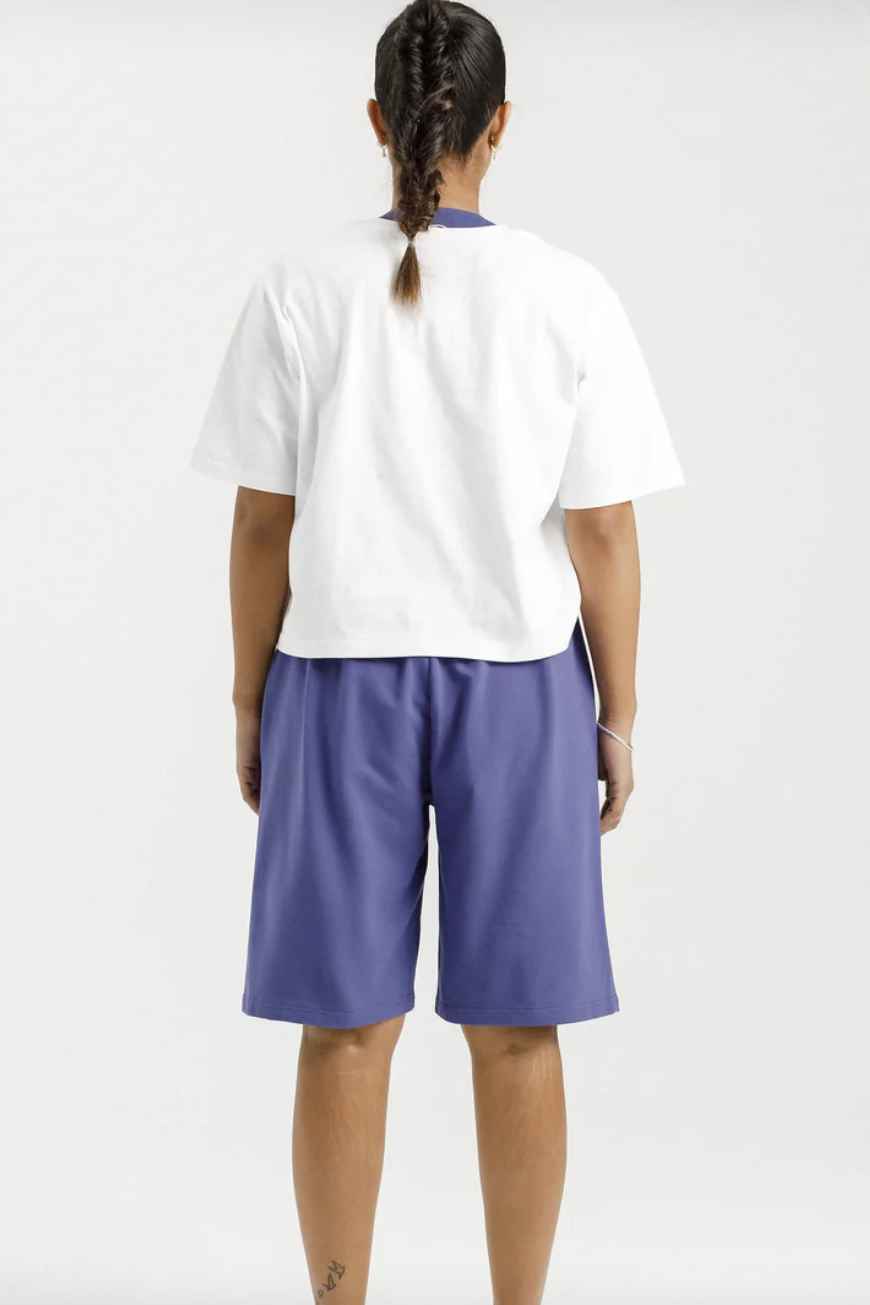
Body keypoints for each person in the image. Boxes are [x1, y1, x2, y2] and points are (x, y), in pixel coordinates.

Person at [191, 1, 684, 1300]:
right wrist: (617, 714)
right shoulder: (567, 292)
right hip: (520, 688)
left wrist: (249, 700)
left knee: (344, 1028)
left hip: (336, 678)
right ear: (499, 126)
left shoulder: (300, 288)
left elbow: (259, 525)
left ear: (376, 121)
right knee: (516, 1028)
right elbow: (605, 529)